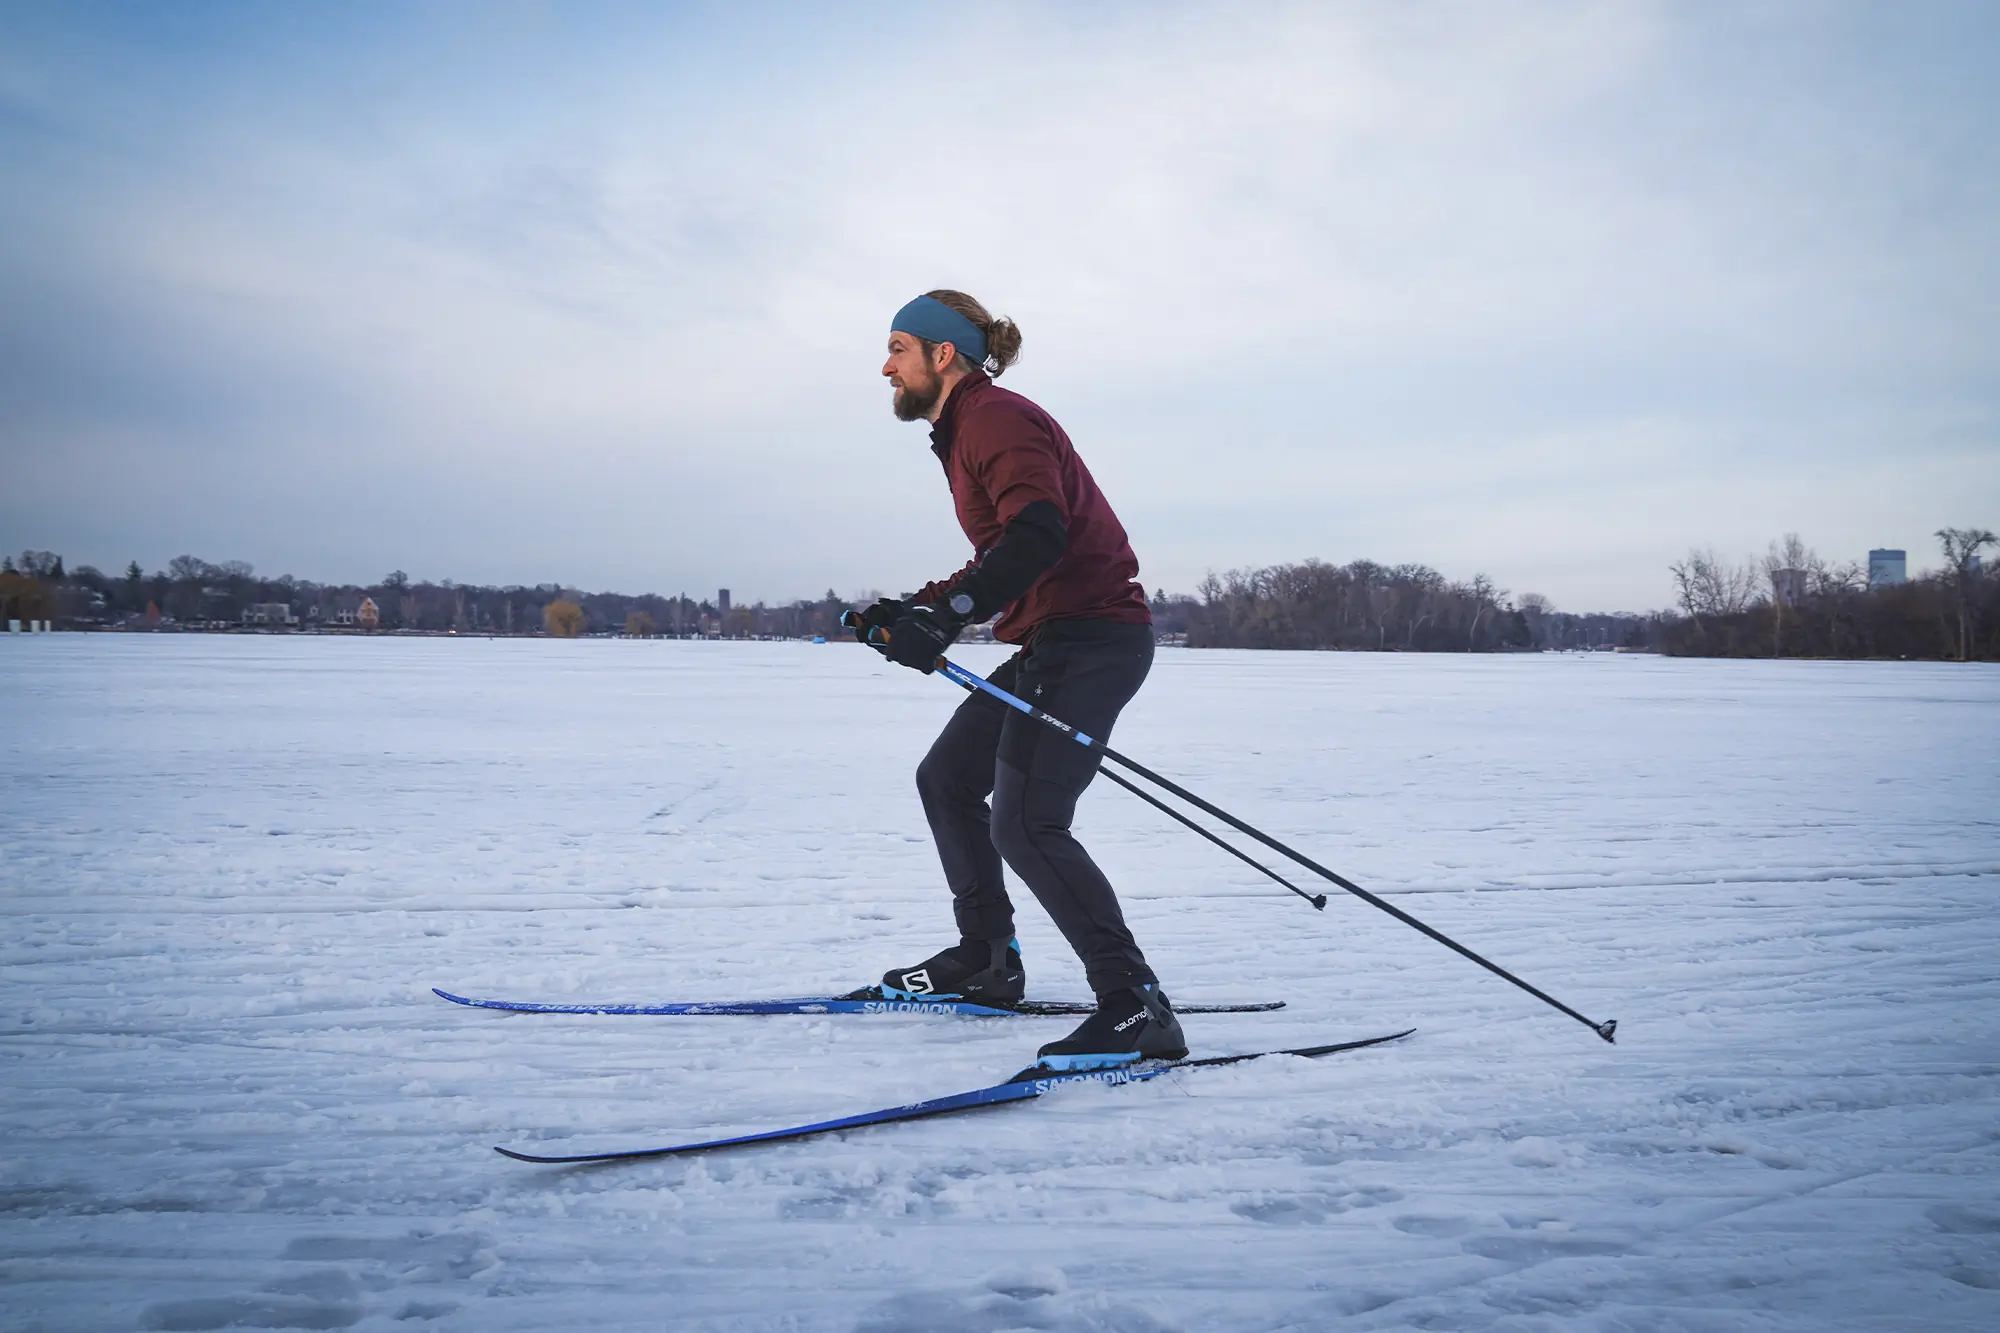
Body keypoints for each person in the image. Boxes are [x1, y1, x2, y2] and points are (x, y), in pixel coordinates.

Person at [857, 289, 1185, 1070]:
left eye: (899, 348)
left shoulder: (997, 419)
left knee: (1029, 822)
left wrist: (951, 614)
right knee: (947, 779)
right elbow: (1006, 550)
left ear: (944, 354)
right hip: (1051, 638)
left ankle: (1134, 1003)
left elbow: (1041, 532)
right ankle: (987, 957)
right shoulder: (969, 428)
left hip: (1093, 638)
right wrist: (916, 609)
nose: (886, 366)